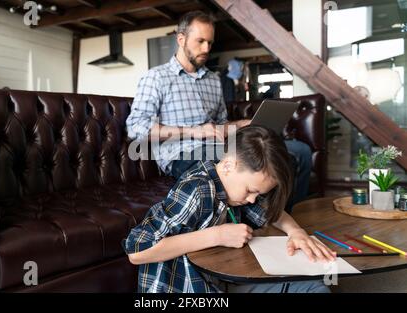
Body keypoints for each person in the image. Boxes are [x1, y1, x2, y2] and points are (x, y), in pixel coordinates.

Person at [125, 10, 312, 212]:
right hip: (183, 154)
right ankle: (267, 220)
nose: (206, 48)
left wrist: (241, 125)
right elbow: (135, 129)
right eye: (200, 41)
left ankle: (289, 216)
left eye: (210, 43)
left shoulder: (213, 79)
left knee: (299, 151)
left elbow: (221, 124)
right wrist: (195, 131)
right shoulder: (155, 77)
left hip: (219, 146)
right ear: (181, 39)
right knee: (239, 165)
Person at [123, 126, 336, 293]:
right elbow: (138, 251)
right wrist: (216, 235)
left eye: (259, 194)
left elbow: (272, 213)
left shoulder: (236, 190)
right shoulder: (197, 189)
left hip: (223, 282)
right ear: (228, 165)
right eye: (251, 191)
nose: (253, 200)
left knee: (314, 287)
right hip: (188, 288)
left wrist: (296, 232)